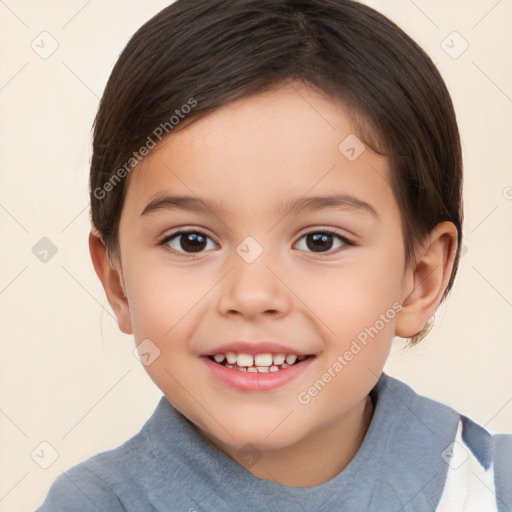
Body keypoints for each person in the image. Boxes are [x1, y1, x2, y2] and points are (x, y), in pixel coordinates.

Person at [36, 0, 512, 510]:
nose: (252, 295)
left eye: (320, 241)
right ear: (117, 279)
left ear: (419, 279)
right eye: (191, 240)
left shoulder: (491, 484)